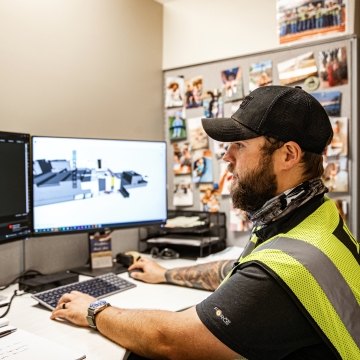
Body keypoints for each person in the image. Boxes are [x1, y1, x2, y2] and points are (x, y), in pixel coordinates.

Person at [51, 86, 360, 360]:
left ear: (289, 154)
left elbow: (169, 340)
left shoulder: (290, 267)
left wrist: (95, 311)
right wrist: (167, 274)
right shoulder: (314, 215)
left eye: (240, 145)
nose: (226, 156)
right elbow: (237, 271)